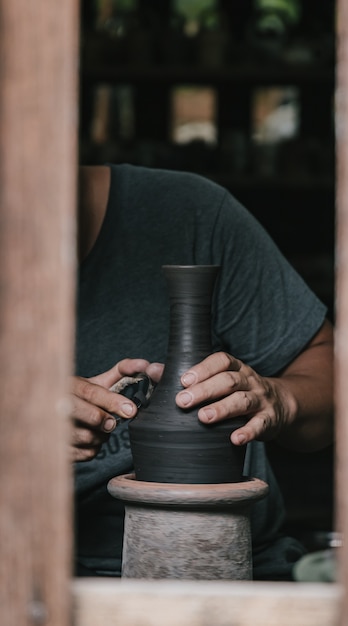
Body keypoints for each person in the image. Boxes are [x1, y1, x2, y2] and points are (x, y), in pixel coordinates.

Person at [72, 163, 334, 580]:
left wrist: (280, 400)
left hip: (243, 568)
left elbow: (335, 381)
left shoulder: (193, 212)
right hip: (41, 577)